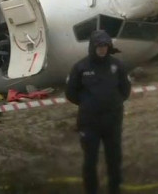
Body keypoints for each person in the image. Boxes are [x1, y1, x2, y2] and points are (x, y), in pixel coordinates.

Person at [65, 30, 131, 194]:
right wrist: (88, 104)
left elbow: (125, 90)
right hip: (89, 122)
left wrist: (113, 104)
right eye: (99, 46)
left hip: (113, 121)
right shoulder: (80, 67)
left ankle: (114, 189)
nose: (102, 49)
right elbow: (71, 92)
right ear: (93, 47)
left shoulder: (117, 65)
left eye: (105, 46)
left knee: (114, 158)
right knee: (90, 160)